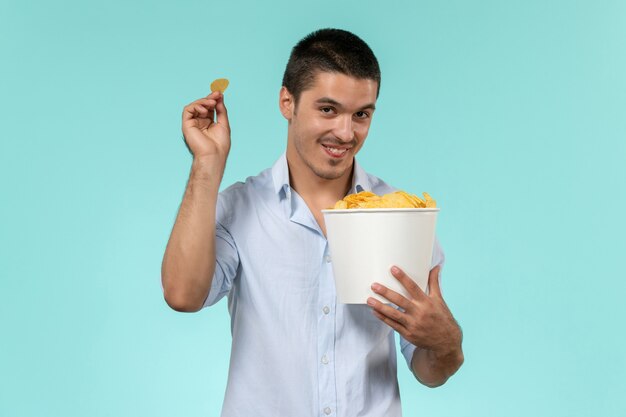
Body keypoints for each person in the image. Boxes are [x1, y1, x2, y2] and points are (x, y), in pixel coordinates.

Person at [161, 28, 464, 417]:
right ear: (287, 101)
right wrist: (207, 164)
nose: (345, 132)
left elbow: (429, 369)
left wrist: (446, 343)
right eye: (328, 109)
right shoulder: (239, 208)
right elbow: (182, 296)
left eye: (361, 114)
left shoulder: (402, 216)